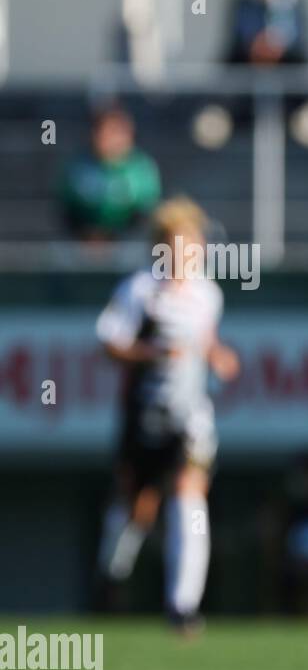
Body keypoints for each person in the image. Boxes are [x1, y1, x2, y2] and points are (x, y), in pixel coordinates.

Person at [95, 198, 240, 634]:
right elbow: (109, 342)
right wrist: (151, 353)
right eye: (177, 244)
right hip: (144, 414)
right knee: (137, 506)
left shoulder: (207, 294)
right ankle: (111, 576)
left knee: (189, 494)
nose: (186, 253)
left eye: (193, 243)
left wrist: (218, 356)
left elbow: (206, 341)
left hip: (190, 414)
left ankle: (183, 605)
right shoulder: (139, 291)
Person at [60, 103, 161, 242]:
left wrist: (114, 239)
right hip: (82, 244)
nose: (110, 138)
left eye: (116, 132)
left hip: (127, 244)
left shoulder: (142, 170)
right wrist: (89, 236)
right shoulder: (78, 167)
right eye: (104, 132)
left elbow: (146, 214)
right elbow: (67, 209)